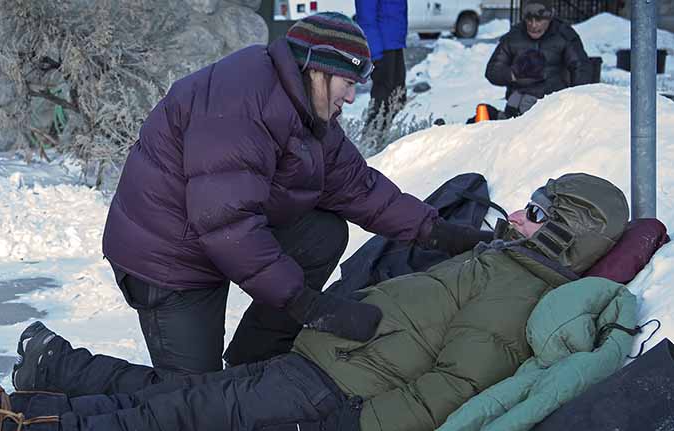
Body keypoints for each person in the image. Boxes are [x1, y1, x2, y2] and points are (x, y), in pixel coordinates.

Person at [0, 173, 629, 431]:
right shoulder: (506, 265)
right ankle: (11, 410)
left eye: (536, 210)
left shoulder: (518, 292)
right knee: (165, 401)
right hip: (324, 368)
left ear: (568, 231)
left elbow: (448, 391)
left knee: (166, 421)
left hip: (330, 396)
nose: (515, 214)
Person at [101, 11, 491, 376]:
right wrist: (305, 304)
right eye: (349, 83)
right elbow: (228, 220)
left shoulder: (306, 109)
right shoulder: (241, 102)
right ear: (318, 69)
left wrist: (443, 233)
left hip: (216, 239)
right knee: (193, 401)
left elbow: (360, 188)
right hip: (169, 260)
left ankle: (254, 360)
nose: (352, 98)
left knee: (323, 232)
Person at [485, 0, 592, 118]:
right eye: (529, 20)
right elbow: (492, 70)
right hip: (516, 102)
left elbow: (581, 67)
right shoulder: (514, 36)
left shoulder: (564, 35)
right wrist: (513, 74)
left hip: (551, 105)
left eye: (539, 20)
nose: (533, 25)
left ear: (550, 17)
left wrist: (576, 102)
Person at [355, 0, 408, 135]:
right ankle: (371, 139)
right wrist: (374, 53)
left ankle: (383, 135)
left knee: (398, 95)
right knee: (382, 99)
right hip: (381, 46)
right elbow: (365, 16)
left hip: (395, 43)